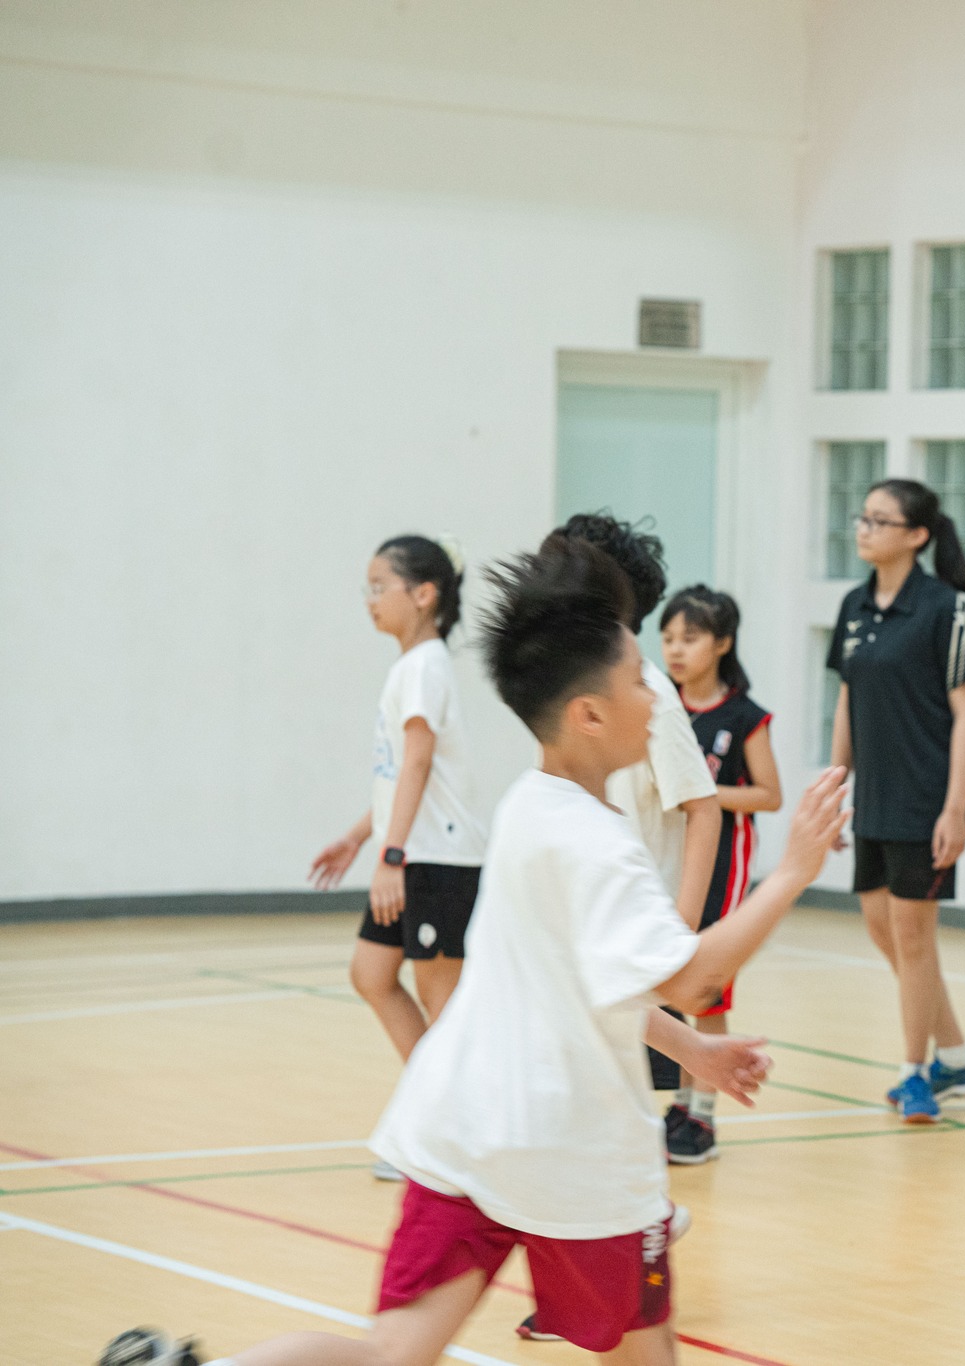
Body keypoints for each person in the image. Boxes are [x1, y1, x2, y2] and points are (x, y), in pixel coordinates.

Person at [105, 538, 853, 1366]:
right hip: (574, 1156)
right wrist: (795, 870)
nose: (655, 696)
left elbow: (581, 985)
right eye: (640, 681)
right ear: (589, 714)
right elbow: (694, 976)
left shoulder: (530, 805)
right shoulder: (600, 846)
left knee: (390, 1355)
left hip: (464, 1128)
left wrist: (692, 1051)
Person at [308, 535, 484, 1182]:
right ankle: (436, 1122)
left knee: (446, 1009)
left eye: (380, 586)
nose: (370, 600)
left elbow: (419, 762)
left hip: (438, 860)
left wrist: (392, 855)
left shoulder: (427, 665)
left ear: (424, 594)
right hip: (411, 851)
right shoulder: (410, 666)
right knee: (372, 973)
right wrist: (361, 836)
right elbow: (399, 774)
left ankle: (456, 1142)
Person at [554, 513, 722, 1165]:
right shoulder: (572, 689)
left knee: (613, 1114)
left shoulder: (652, 696)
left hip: (632, 930)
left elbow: (703, 809)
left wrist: (680, 930)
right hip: (586, 922)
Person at [828, 478, 965, 1123]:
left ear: (917, 535)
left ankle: (915, 1073)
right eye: (862, 517)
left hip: (925, 798)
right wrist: (835, 788)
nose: (864, 529)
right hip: (873, 795)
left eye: (880, 520)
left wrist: (956, 809)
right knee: (883, 929)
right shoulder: (853, 605)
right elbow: (847, 698)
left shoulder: (945, 609)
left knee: (914, 937)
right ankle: (958, 1058)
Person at [652, 584, 782, 1164]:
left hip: (723, 862)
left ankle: (703, 1115)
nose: (676, 650)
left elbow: (769, 795)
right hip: (672, 860)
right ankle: (681, 1100)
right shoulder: (658, 706)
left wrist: (702, 795)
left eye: (690, 638)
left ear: (723, 643)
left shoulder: (744, 717)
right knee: (668, 978)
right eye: (668, 638)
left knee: (706, 985)